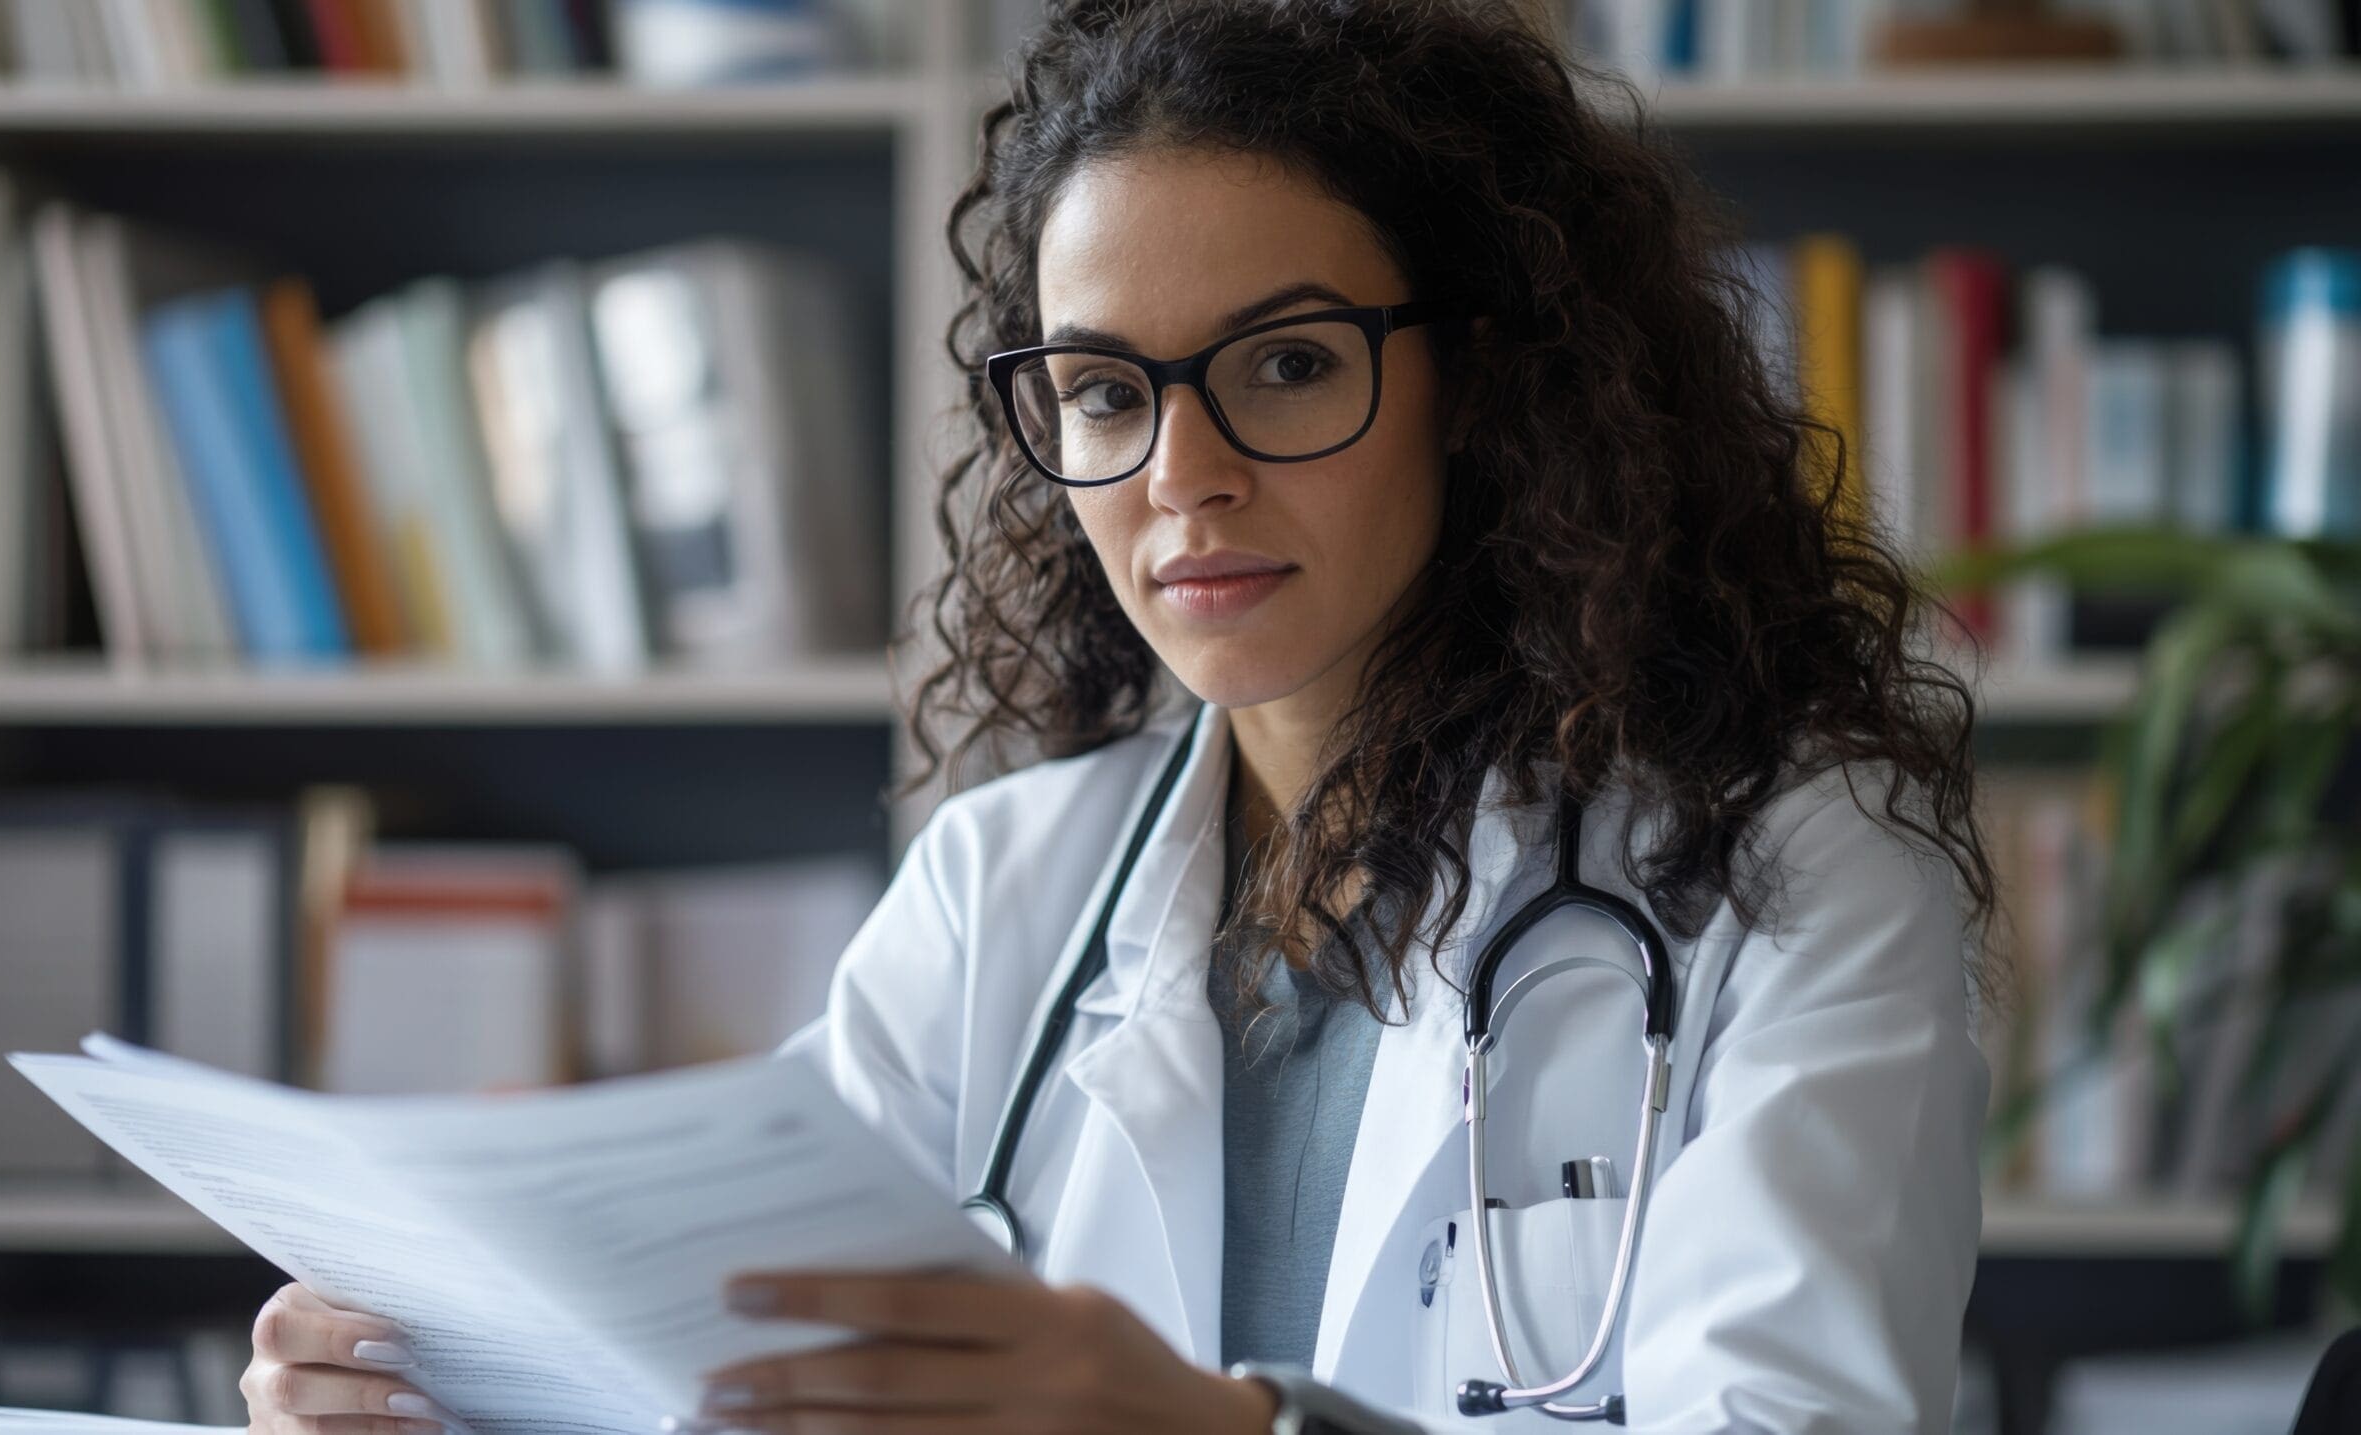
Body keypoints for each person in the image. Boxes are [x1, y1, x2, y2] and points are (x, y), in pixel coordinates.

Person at [239, 0, 2001, 1430]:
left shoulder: (1785, 871)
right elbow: (726, 1359)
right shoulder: (1005, 890)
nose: (1184, 476)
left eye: (1288, 363)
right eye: (1102, 393)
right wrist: (436, 1379)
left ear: (1478, 381)